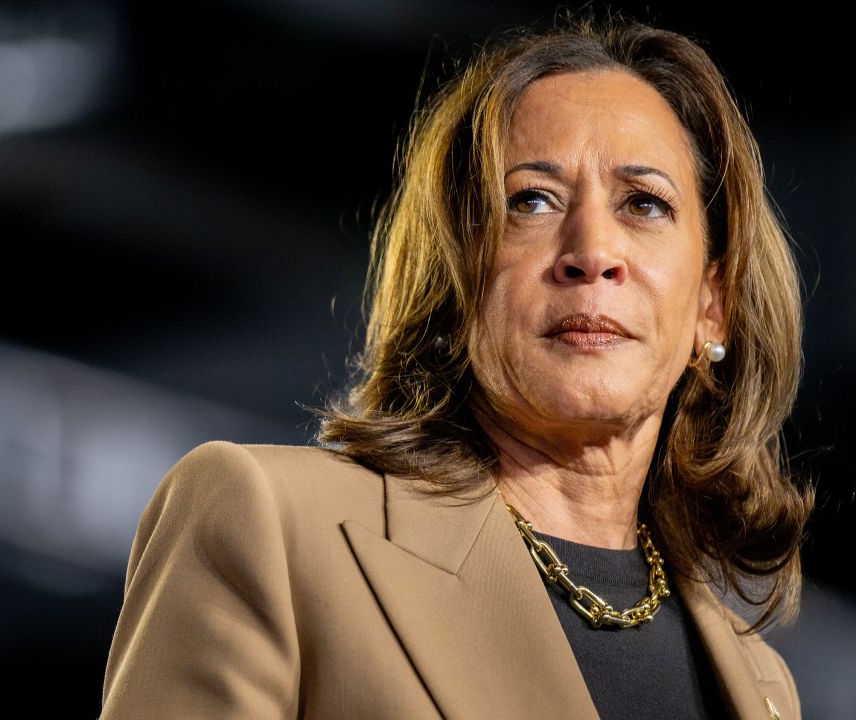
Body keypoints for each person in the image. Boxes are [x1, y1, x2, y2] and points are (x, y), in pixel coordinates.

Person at [101, 16, 812, 720]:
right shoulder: (268, 524)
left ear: (711, 308)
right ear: (454, 278)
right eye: (531, 201)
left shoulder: (763, 683)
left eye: (644, 204)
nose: (593, 251)